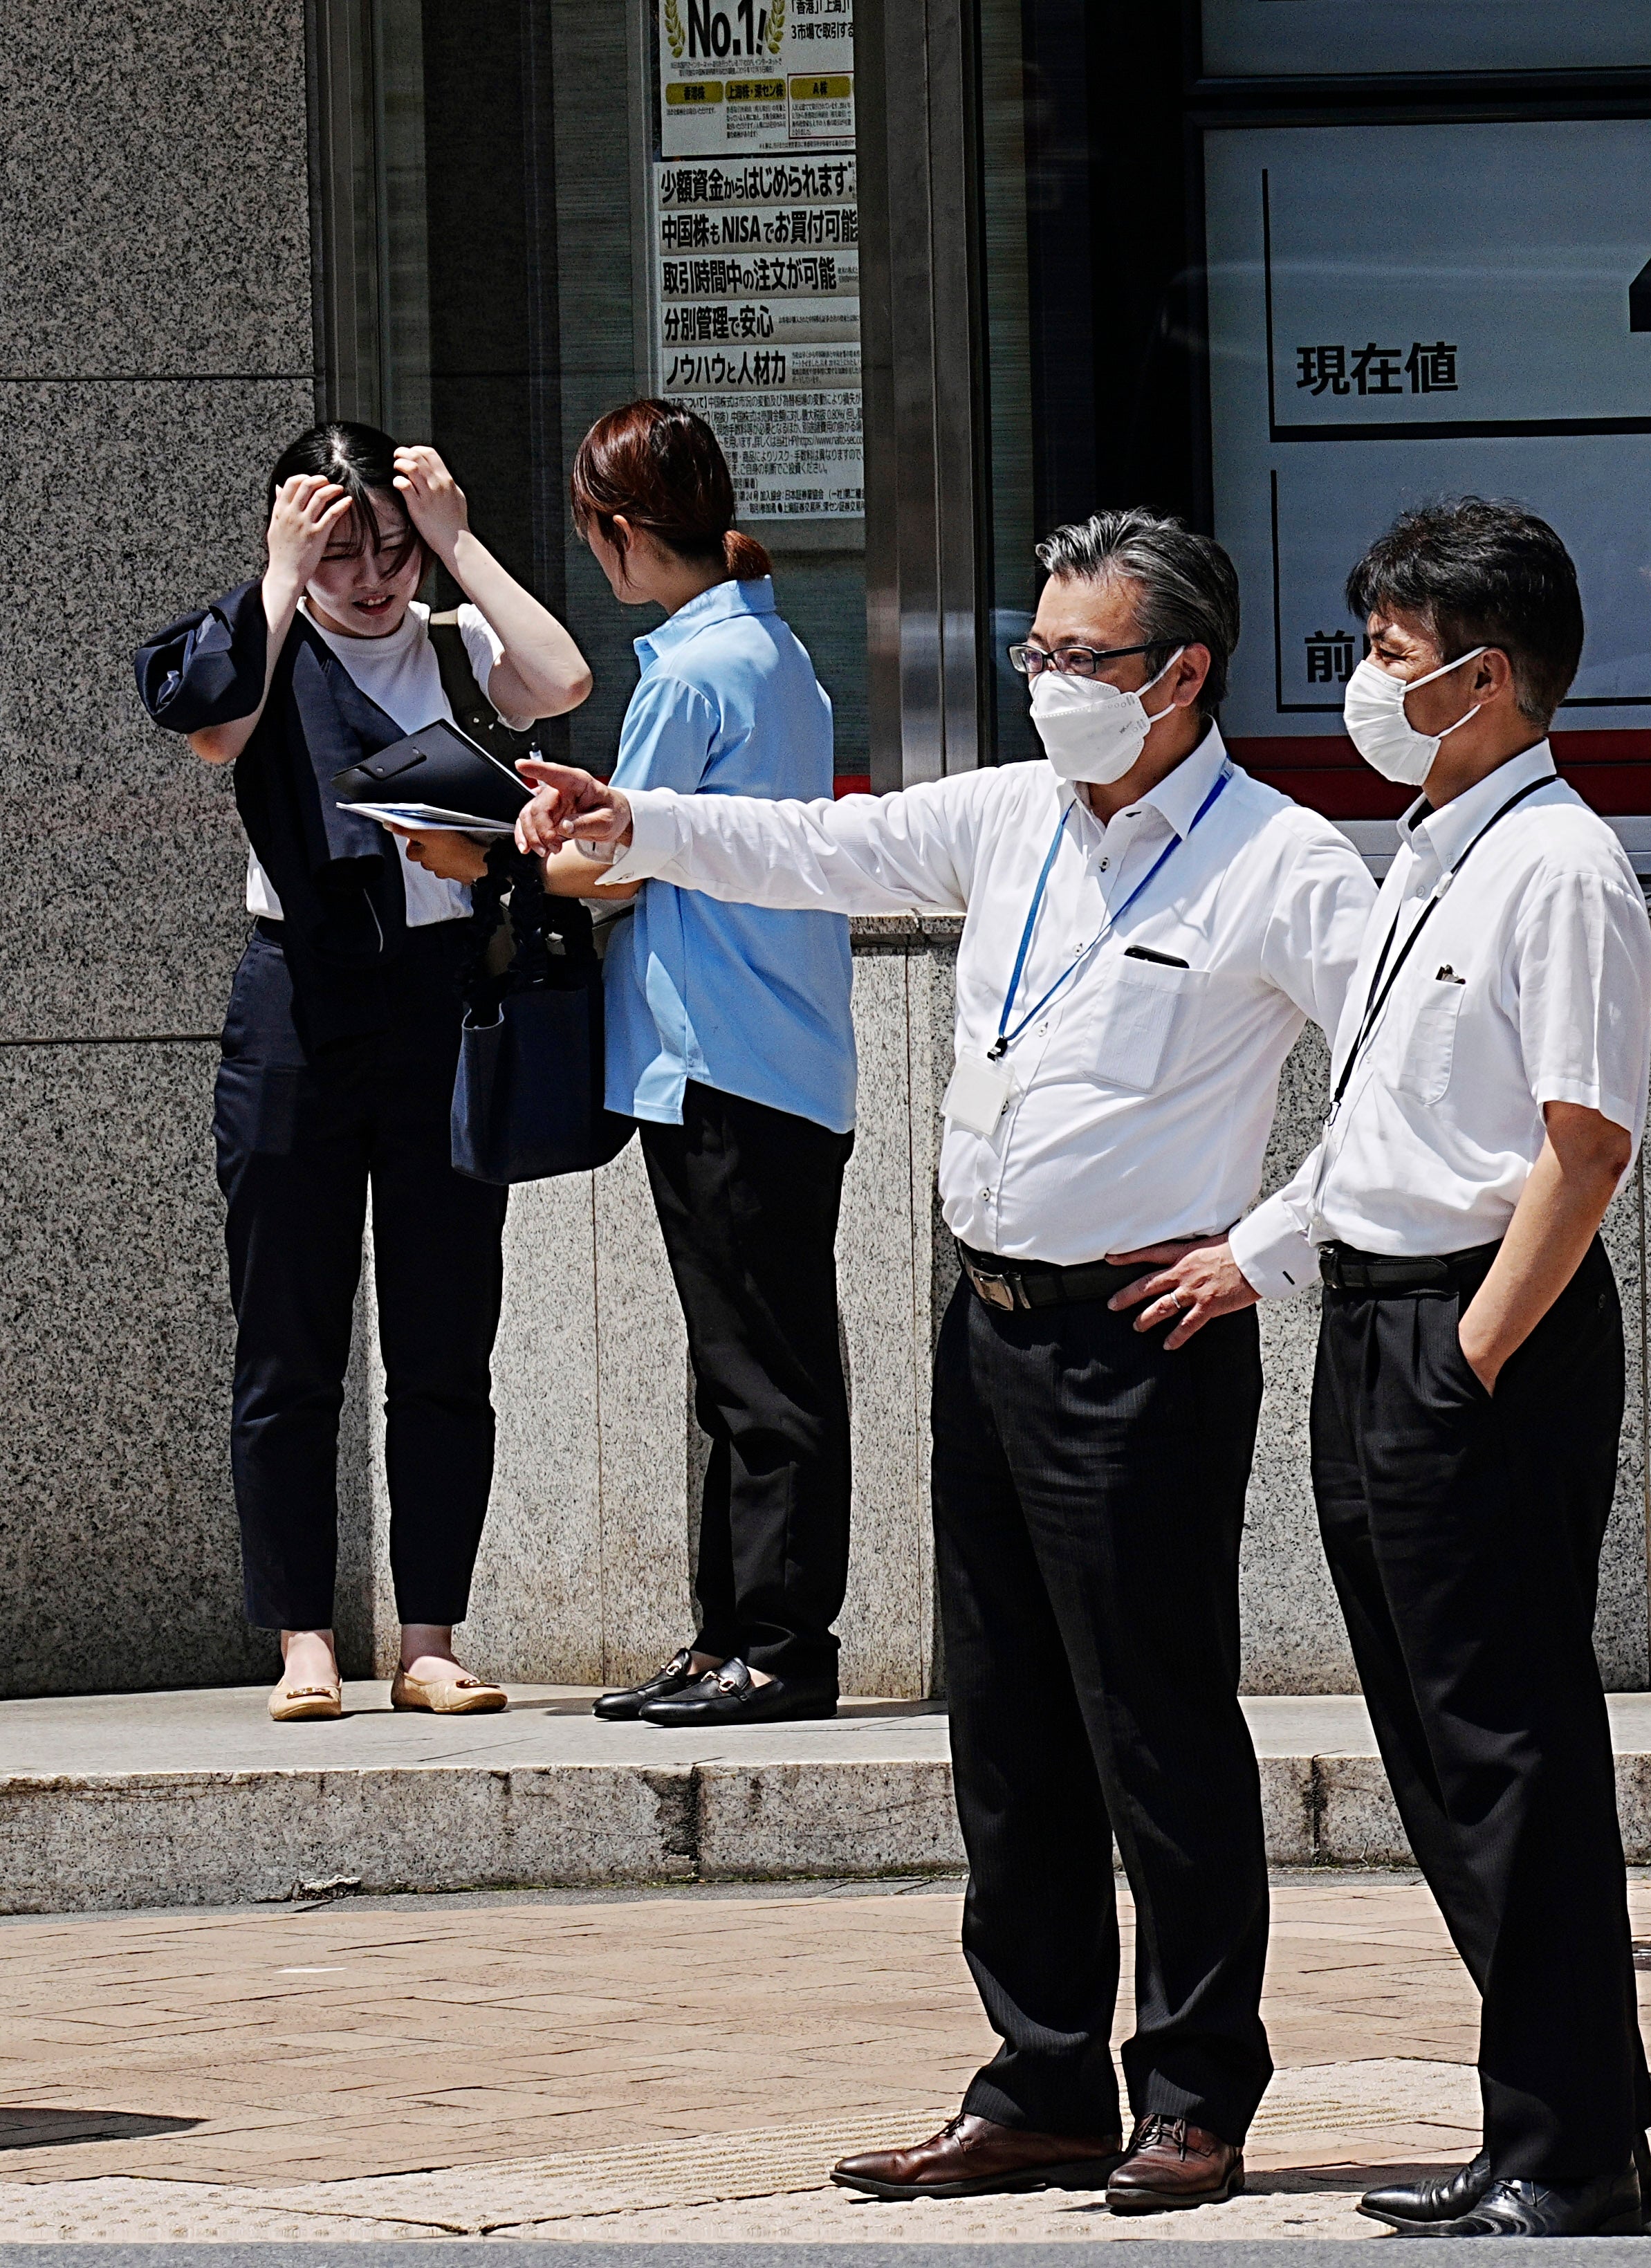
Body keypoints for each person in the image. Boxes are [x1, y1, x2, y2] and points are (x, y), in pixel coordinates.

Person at [517, 509, 1374, 2211]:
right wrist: (639, 823)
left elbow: (1409, 1077)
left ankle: (1193, 2088)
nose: (1048, 684)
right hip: (986, 1329)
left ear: (1181, 672)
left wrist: (1261, 1252)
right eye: (1035, 654)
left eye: (1081, 660)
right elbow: (823, 850)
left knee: (1158, 1728)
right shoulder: (1009, 816)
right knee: (1008, 1727)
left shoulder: (1282, 863)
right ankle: (1039, 2075)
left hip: (1142, 1339)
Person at [1140, 498, 1651, 2238]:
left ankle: (1578, 2148)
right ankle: (1534, 2123)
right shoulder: (1426, 848)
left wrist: (1470, 1360)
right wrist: (1262, 1257)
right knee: (1441, 1753)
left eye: (1389, 653)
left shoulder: (1562, 864)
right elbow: (1378, 1124)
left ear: (1486, 677)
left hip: (1469, 1333)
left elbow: (1581, 1149)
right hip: (1369, 1323)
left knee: (1509, 1749)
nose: (1364, 680)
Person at [135, 423, 593, 1724]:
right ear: (295, 545)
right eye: (343, 551)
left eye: (389, 550)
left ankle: (430, 1636)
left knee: (447, 1338)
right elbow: (212, 729)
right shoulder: (262, 644)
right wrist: (278, 581)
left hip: (442, 1001)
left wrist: (458, 540)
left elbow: (557, 680)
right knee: (289, 1341)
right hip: (296, 1000)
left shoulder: (451, 643)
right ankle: (301, 1641)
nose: (372, 578)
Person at [557, 400, 860, 1730]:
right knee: (743, 1368)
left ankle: (782, 1647)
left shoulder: (690, 673)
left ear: (619, 533)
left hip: (724, 1060)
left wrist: (502, 849)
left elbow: (613, 856)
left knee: (760, 1377)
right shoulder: (772, 649)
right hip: (775, 1054)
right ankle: (727, 1635)